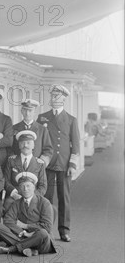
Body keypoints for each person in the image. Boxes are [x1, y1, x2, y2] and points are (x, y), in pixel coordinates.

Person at [38, 85, 81, 242]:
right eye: (52, 95)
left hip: (63, 163)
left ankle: (64, 230)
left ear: (64, 98)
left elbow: (75, 145)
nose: (53, 98)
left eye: (57, 96)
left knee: (64, 198)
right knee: (46, 197)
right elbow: (38, 142)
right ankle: (46, 229)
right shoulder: (42, 117)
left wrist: (72, 165)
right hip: (47, 164)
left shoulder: (71, 120)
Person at [0, 172, 56, 256]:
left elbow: (47, 226)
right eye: (22, 186)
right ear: (19, 188)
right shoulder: (17, 203)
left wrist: (26, 227)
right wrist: (22, 232)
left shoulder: (44, 203)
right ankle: (29, 249)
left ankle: (13, 248)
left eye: (28, 186)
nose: (25, 189)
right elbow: (8, 220)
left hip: (39, 239)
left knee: (43, 233)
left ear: (34, 187)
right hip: (21, 236)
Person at [4, 130, 47, 211]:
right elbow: (6, 181)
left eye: (28, 143)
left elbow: (43, 186)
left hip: (34, 196)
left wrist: (32, 196)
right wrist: (14, 193)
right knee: (7, 204)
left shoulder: (40, 164)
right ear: (19, 145)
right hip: (15, 195)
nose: (25, 145)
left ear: (33, 145)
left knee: (46, 207)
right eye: (22, 143)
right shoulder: (11, 160)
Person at [12, 99, 53, 166]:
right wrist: (13, 161)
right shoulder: (14, 128)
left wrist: (42, 162)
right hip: (18, 166)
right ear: (21, 111)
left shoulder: (42, 129)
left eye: (30, 110)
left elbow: (48, 149)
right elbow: (10, 147)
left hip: (36, 167)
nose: (27, 113)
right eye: (25, 110)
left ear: (34, 112)